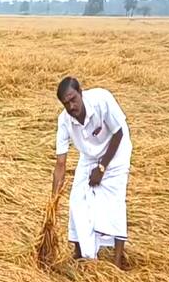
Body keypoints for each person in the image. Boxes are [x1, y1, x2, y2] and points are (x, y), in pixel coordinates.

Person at [51, 77, 133, 269]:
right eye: (66, 103)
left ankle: (117, 261)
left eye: (73, 99)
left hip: (117, 151)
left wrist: (102, 168)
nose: (71, 106)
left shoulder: (101, 100)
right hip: (89, 155)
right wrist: (53, 200)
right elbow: (60, 163)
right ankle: (80, 254)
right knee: (76, 201)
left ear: (81, 92)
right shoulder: (65, 121)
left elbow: (119, 133)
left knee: (114, 202)